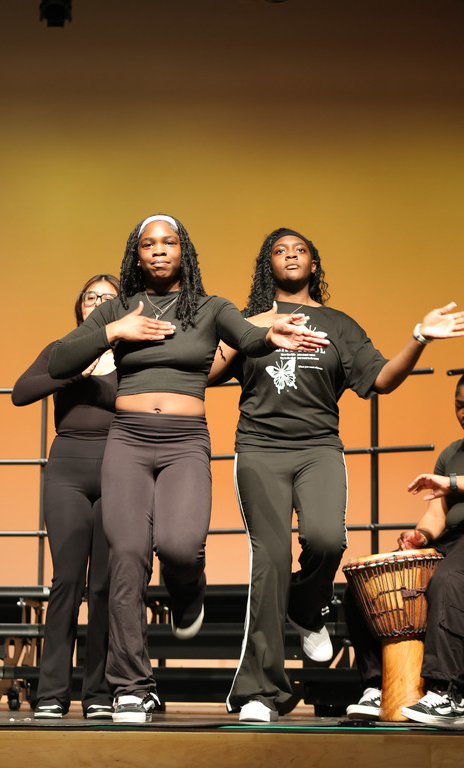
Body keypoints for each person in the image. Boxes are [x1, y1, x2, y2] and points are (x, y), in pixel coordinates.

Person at [47, 214, 330, 724]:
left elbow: (246, 337)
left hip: (183, 442)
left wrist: (274, 335)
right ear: (137, 255)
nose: (159, 251)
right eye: (148, 244)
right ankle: (133, 685)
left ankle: (187, 592)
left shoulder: (210, 307)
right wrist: (114, 328)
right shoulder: (117, 307)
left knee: (179, 545)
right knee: (128, 555)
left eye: (169, 242)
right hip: (128, 442)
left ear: (184, 251)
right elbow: (60, 360)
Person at [206, 227, 464, 723]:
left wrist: (419, 338)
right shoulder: (247, 322)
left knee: (327, 541)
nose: (291, 255)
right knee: (271, 559)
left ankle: (306, 607)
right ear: (269, 266)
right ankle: (261, 692)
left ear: (314, 264)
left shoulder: (339, 326)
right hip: (260, 448)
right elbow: (210, 372)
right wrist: (252, 324)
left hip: (317, 447)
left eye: (300, 249)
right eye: (279, 251)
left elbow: (381, 379)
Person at [12, 274, 120, 719]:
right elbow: (21, 392)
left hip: (118, 470)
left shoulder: (135, 356)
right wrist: (73, 372)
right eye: (90, 296)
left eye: (108, 298)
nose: (97, 302)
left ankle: (97, 695)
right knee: (67, 582)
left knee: (104, 588)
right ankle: (52, 694)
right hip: (68, 470)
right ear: (79, 307)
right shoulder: (62, 348)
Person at [346, 374, 464, 728]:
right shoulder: (452, 453)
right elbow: (436, 514)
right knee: (367, 583)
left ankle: (449, 694)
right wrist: (420, 536)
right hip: (453, 539)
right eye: (460, 404)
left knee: (447, 579)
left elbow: (449, 489)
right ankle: (374, 686)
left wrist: (453, 482)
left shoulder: (452, 471)